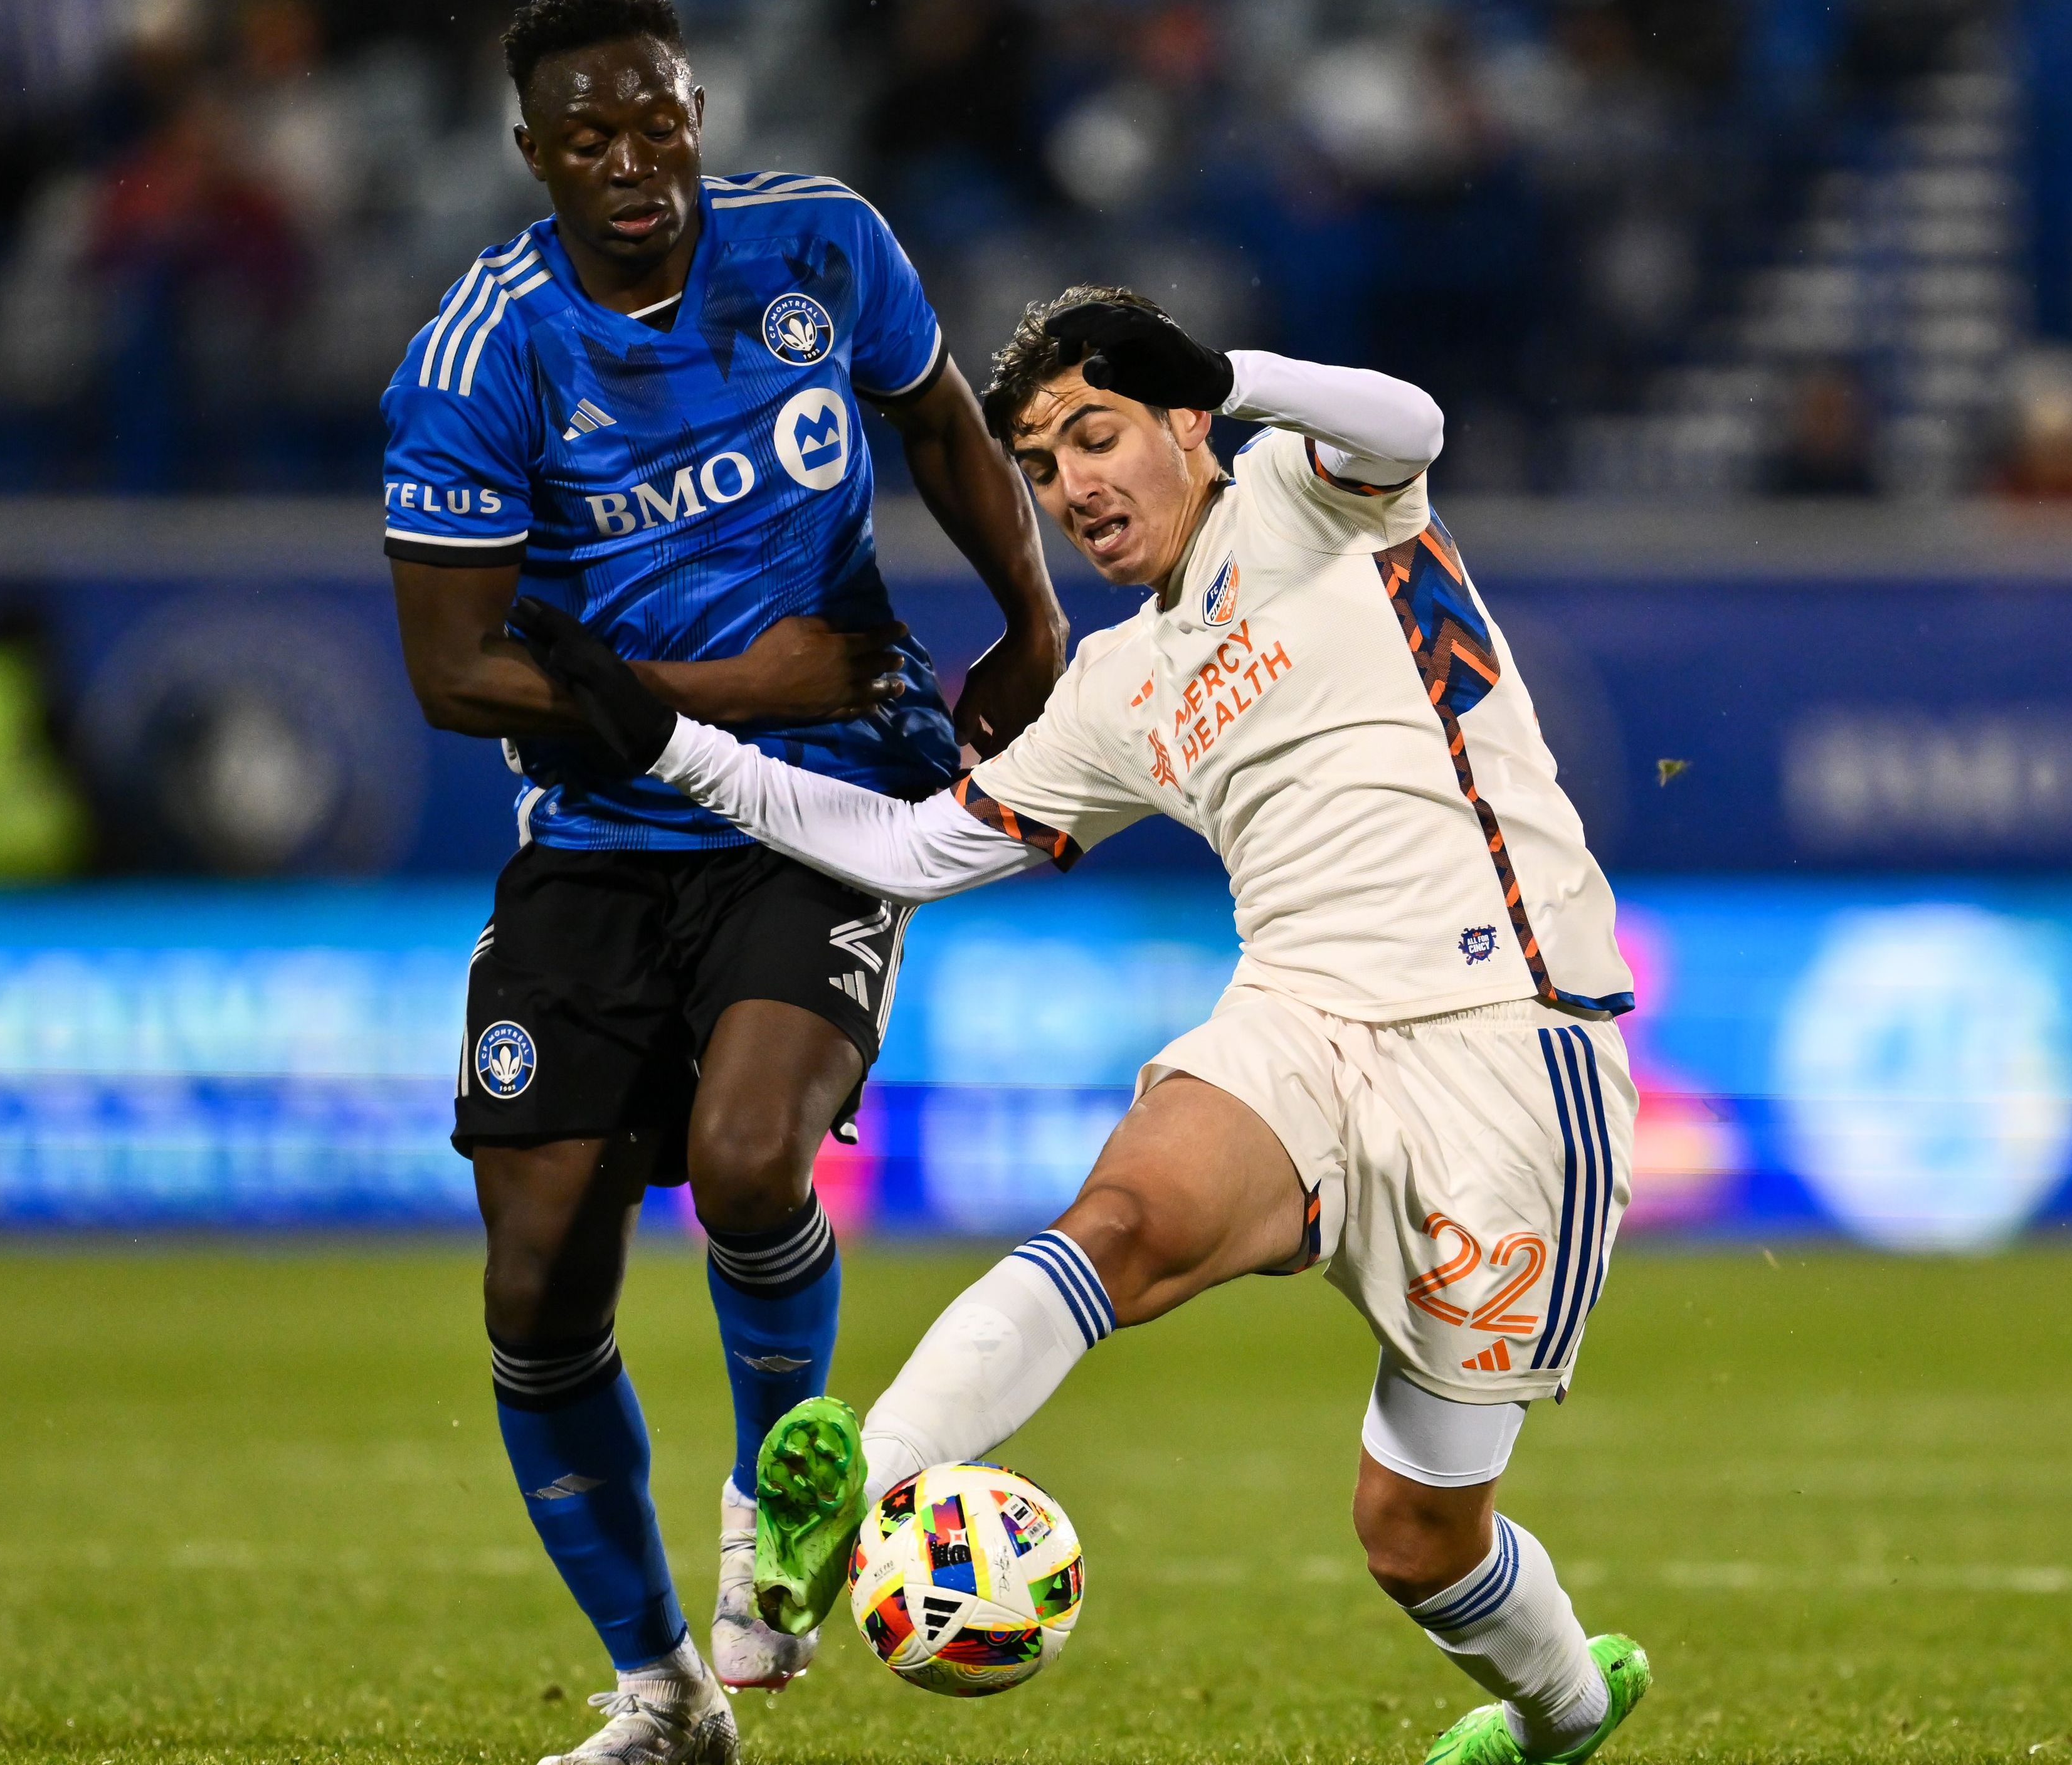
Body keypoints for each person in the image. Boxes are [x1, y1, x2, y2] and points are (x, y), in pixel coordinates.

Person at [512, 288, 1652, 1765]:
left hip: (1508, 1033)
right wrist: (670, 743)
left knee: (1416, 1534)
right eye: (1043, 468)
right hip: (1300, 1014)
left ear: (1185, 424)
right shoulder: (1115, 685)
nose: (1073, 489)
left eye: (1097, 437)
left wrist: (1237, 372)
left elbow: (1412, 423)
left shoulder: (1313, 495)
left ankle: (1564, 1712)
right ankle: (861, 1479)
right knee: (1120, 1216)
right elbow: (909, 848)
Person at [379, 3, 1066, 1762]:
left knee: (752, 1158)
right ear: (532, 154)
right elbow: (452, 673)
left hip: (827, 800)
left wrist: (1032, 619)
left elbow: (943, 427)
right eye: (587, 139)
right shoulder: (481, 359)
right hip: (599, 835)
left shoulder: (821, 245)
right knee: (535, 1280)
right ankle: (663, 1696)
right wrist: (732, 686)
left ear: (696, 112)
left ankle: (777, 1514)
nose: (632, 165)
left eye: (656, 124)